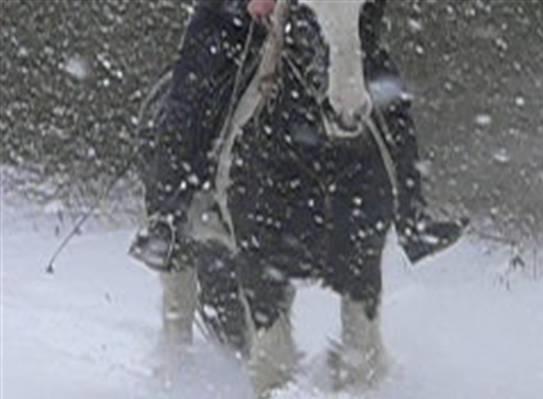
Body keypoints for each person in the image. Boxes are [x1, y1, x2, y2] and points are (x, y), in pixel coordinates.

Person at [131, 0, 465, 272]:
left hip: (320, 14)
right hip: (233, 13)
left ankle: (412, 217)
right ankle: (168, 219)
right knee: (191, 90)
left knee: (388, 93)